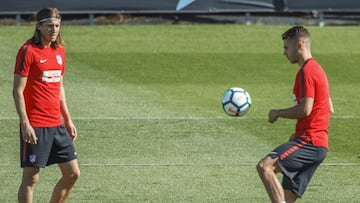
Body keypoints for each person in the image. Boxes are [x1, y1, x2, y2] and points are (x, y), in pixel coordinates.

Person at [256, 26, 334, 203]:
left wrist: (277, 113)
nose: (284, 53)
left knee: (265, 166)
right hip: (316, 143)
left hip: (310, 141)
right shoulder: (316, 69)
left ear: (299, 44)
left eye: (286, 47)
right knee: (286, 198)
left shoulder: (307, 71)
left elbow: (305, 109)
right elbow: (328, 105)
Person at [13, 8, 80, 203]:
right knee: (31, 179)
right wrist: (25, 123)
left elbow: (59, 87)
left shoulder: (59, 51)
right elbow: (17, 91)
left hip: (56, 125)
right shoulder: (28, 51)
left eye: (57, 26)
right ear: (39, 26)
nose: (54, 30)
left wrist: (67, 119)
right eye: (49, 26)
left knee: (73, 173)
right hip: (36, 124)